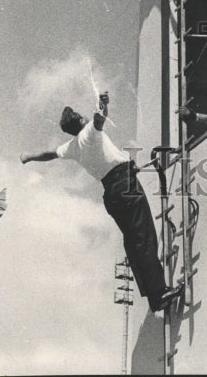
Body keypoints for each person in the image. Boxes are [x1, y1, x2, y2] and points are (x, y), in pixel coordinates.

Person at [20, 91, 182, 314]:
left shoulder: (71, 147)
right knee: (144, 236)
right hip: (125, 184)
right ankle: (159, 293)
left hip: (111, 193)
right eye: (80, 115)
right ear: (79, 120)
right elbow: (99, 118)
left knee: (133, 243)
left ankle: (154, 297)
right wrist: (102, 105)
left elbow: (49, 154)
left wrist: (29, 156)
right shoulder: (89, 131)